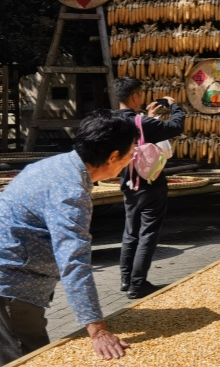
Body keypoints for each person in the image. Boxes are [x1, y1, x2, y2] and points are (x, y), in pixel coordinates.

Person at [0, 110, 137, 363]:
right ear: (113, 156)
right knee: (28, 356)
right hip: (10, 284)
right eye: (131, 151)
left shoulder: (59, 165)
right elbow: (74, 261)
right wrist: (98, 331)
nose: (132, 158)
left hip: (17, 275)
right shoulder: (70, 191)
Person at [113, 77, 185, 299]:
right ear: (135, 96)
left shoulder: (111, 120)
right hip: (149, 183)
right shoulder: (142, 122)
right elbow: (176, 126)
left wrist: (148, 116)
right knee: (148, 234)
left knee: (130, 232)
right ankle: (138, 284)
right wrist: (174, 106)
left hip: (126, 182)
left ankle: (126, 279)